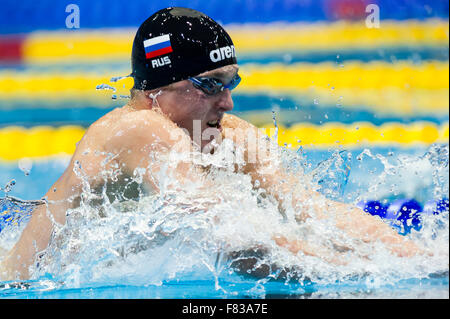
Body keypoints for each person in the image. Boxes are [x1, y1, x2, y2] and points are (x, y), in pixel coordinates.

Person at [0, 7, 425, 281]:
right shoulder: (137, 130)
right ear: (157, 87)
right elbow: (228, 235)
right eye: (210, 85)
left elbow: (312, 210)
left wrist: (415, 259)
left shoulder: (228, 134)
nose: (229, 101)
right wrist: (356, 274)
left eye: (231, 82)